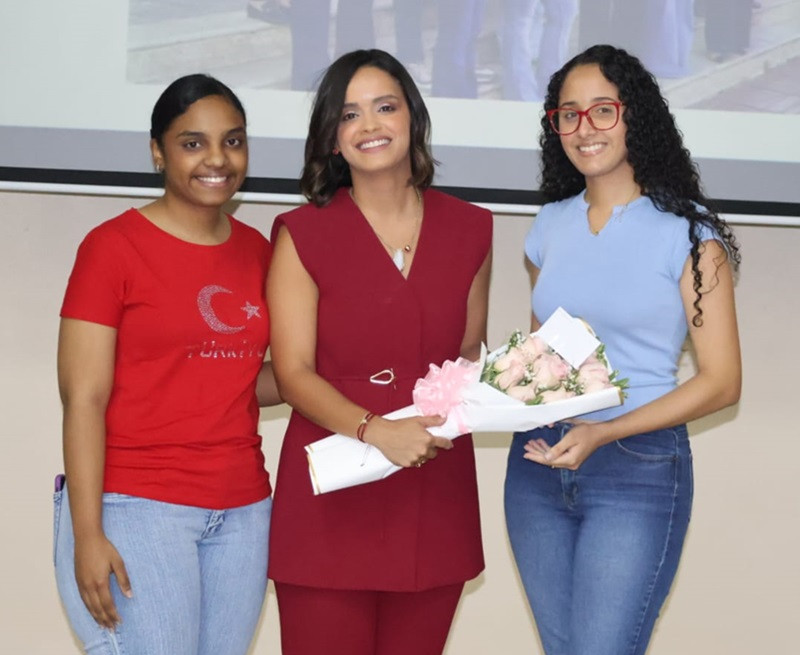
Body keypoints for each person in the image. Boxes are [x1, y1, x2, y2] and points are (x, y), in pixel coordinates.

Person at [504, 44, 741, 655]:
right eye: (569, 114)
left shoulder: (689, 235)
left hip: (636, 466)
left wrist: (603, 434)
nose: (585, 129)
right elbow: (542, 358)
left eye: (602, 110)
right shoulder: (550, 224)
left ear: (635, 116)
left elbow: (721, 382)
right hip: (537, 461)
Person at [267, 49, 491, 654]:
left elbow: (467, 351)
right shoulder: (302, 233)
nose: (370, 125)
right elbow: (292, 373)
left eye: (385, 107)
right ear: (332, 140)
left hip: (432, 485)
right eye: (349, 115)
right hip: (332, 486)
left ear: (412, 119)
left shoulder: (472, 228)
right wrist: (375, 431)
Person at [54, 74, 281, 655]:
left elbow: (243, 380)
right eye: (192, 142)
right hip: (136, 506)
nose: (216, 159)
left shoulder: (260, 251)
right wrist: (86, 534)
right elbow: (84, 399)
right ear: (157, 151)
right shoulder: (112, 247)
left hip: (242, 510)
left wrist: (348, 373)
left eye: (233, 141)